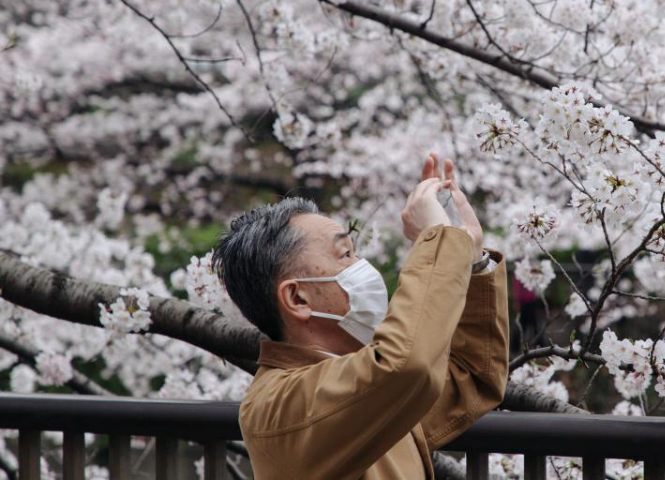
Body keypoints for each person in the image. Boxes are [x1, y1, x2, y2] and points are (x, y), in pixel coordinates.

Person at [212, 153, 509, 479]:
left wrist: (470, 257)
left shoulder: (366, 383)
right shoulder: (278, 406)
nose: (363, 267)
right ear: (298, 298)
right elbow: (406, 365)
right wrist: (440, 238)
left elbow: (470, 375)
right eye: (346, 254)